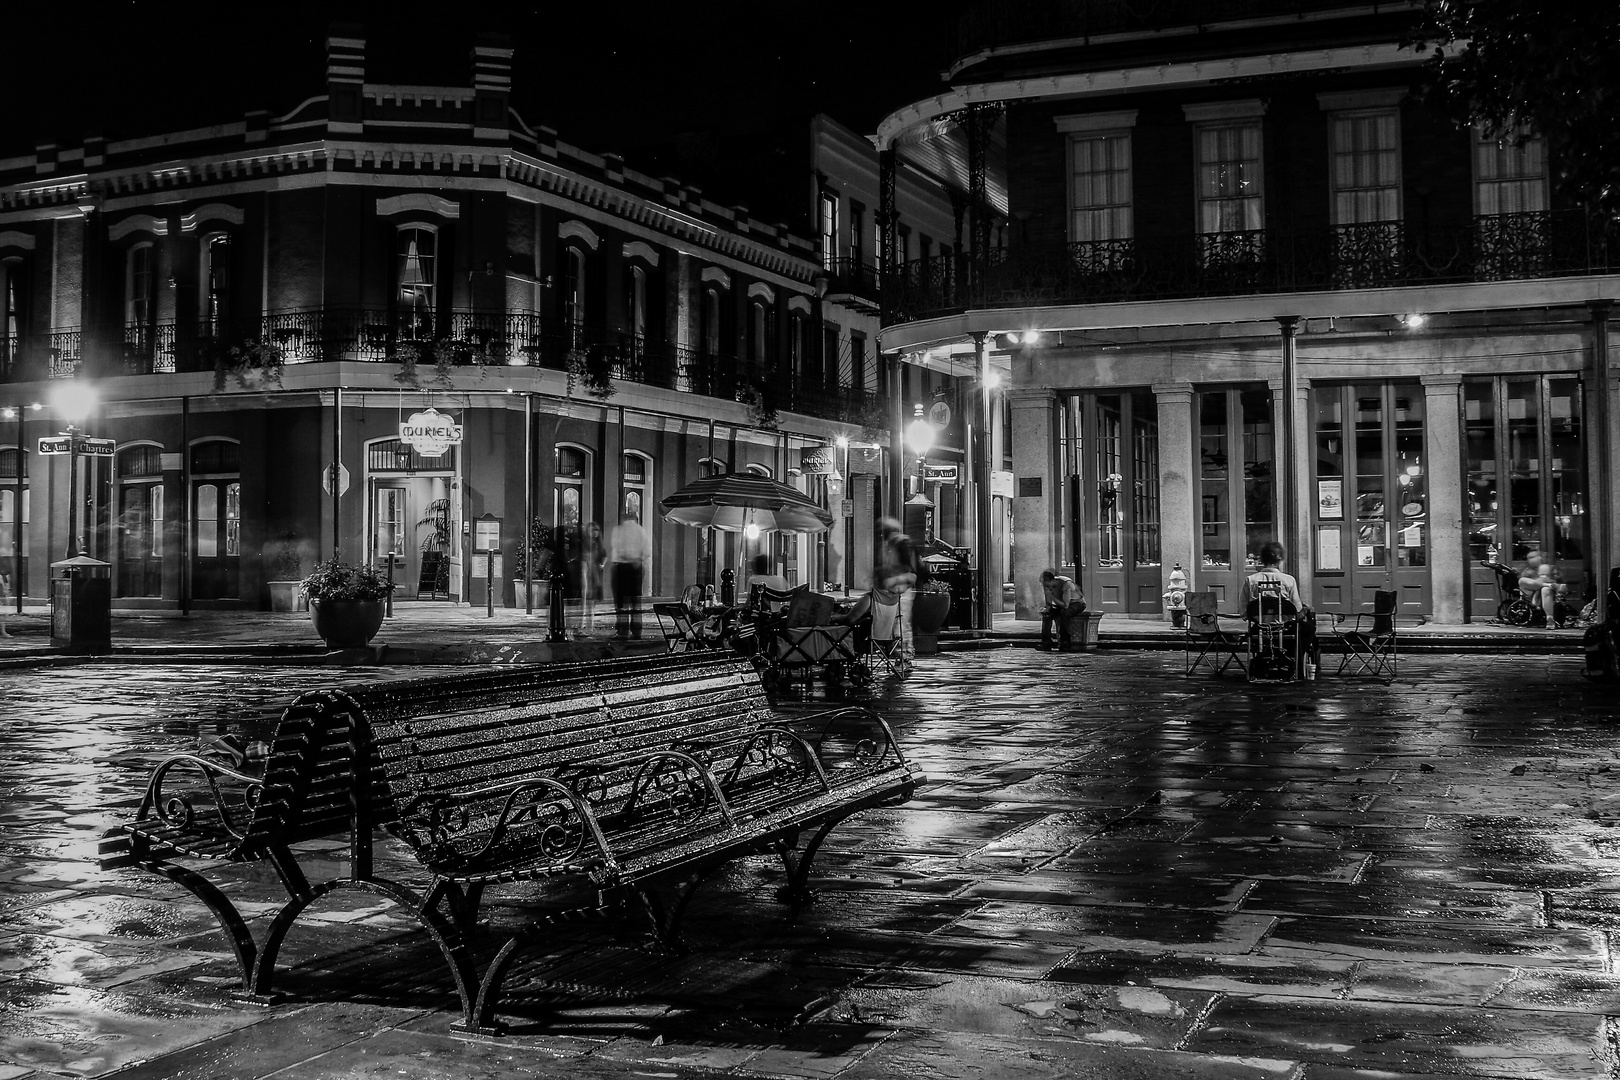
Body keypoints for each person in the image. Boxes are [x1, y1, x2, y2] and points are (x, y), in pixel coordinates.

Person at [1238, 541, 1317, 673]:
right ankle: (1294, 658)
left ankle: (1263, 655)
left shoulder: (1250, 580)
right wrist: (1305, 609)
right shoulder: (1288, 580)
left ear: (1262, 558)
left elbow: (1243, 610)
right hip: (1284, 627)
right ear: (1279, 558)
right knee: (1309, 628)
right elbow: (1296, 611)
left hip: (1260, 628)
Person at [880, 517, 922, 658]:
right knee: (897, 624)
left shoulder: (901, 543)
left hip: (902, 590)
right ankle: (901, 655)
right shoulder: (890, 545)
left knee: (901, 624)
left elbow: (911, 572)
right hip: (894, 590)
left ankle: (905, 656)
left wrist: (894, 580)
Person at [607, 513, 651, 640]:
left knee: (621, 601)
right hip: (636, 568)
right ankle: (637, 630)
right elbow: (647, 551)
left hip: (621, 567)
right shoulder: (641, 531)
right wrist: (637, 560)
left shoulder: (619, 530)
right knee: (636, 600)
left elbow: (616, 549)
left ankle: (622, 630)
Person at [1038, 569, 1087, 651]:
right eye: (1044, 586)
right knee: (1047, 615)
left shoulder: (1066, 584)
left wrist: (1051, 596)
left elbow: (1065, 605)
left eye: (1047, 585)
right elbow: (1049, 604)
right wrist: (1048, 609)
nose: (1046, 587)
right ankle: (1046, 642)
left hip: (1076, 603)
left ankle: (1065, 642)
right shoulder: (1047, 586)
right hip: (1061, 602)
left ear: (1053, 581)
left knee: (1065, 614)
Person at [1518, 550, 1562, 628]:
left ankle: (1550, 619)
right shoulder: (1527, 571)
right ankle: (1545, 585)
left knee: (1545, 589)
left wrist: (1544, 579)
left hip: (1547, 594)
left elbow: (1557, 581)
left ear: (1540, 558)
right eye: (1528, 558)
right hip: (1530, 594)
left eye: (1532, 557)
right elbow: (1525, 583)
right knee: (1522, 580)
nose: (1530, 560)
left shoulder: (1550, 568)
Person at [576, 521, 606, 633]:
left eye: (596, 530)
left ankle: (590, 626)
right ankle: (581, 625)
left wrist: (601, 564)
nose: (595, 532)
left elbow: (604, 555)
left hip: (594, 574)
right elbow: (584, 559)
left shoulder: (597, 544)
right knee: (585, 600)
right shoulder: (585, 543)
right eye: (593, 530)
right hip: (587, 573)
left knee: (591, 602)